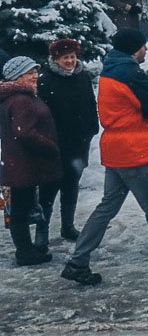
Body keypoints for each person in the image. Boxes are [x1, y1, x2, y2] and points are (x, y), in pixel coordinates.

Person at [61, 29, 148, 286]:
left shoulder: (110, 70)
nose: (146, 50)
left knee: (107, 207)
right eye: (143, 46)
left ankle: (77, 261)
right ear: (134, 48)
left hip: (115, 146)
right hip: (135, 149)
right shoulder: (130, 73)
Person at [0, 56, 62, 266]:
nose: (35, 76)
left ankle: (25, 250)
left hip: (20, 162)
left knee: (21, 207)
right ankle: (25, 253)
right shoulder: (21, 100)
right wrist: (50, 146)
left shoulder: (19, 96)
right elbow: (24, 133)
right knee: (21, 209)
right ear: (17, 77)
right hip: (24, 163)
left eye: (35, 71)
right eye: (29, 73)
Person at [37, 39, 99, 241]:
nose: (70, 61)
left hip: (78, 144)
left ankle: (68, 226)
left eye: (72, 57)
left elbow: (91, 104)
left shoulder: (82, 77)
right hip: (55, 145)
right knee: (48, 190)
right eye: (65, 58)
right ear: (55, 59)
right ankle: (42, 232)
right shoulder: (45, 81)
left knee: (71, 186)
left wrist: (92, 127)